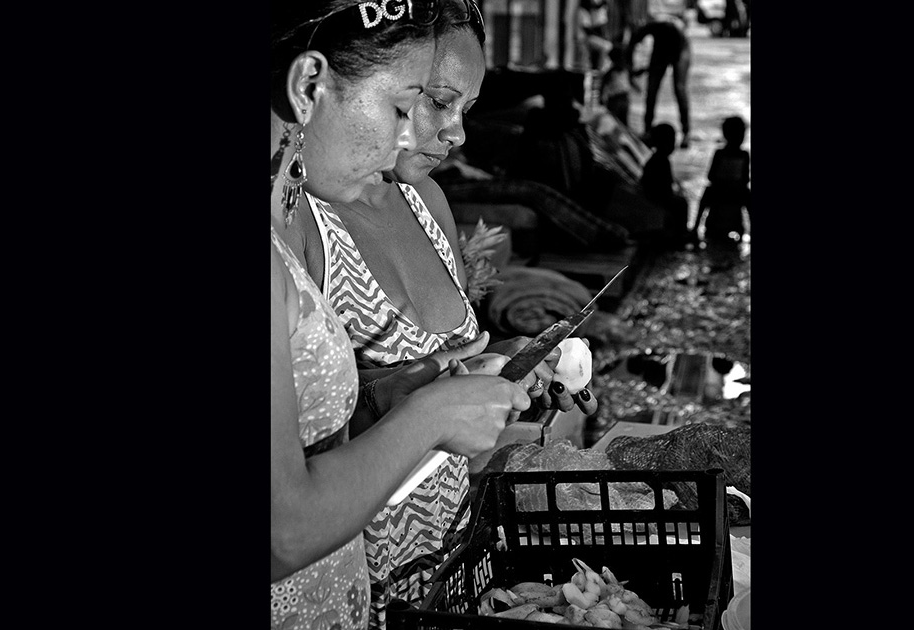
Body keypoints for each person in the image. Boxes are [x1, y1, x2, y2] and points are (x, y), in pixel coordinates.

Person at [282, 4, 597, 626]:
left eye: (465, 109)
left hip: (444, 558)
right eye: (422, 101)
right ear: (309, 87)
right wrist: (426, 410)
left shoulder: (424, 200)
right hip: (353, 572)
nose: (450, 133)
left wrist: (482, 372)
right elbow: (289, 499)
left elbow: (354, 397)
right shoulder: (296, 228)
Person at [692, 115, 750, 266]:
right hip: (725, 190)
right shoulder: (740, 155)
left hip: (727, 190)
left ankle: (696, 226)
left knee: (744, 194)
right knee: (710, 192)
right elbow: (713, 177)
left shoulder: (735, 154)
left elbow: (711, 175)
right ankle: (695, 227)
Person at [627, 15, 692, 148]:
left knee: (679, 89)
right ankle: (647, 129)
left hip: (680, 50)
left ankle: (686, 132)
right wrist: (630, 67)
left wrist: (645, 69)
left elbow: (672, 55)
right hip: (662, 49)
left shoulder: (671, 30)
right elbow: (632, 45)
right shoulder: (647, 29)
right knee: (651, 91)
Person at [640, 123, 694, 248]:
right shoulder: (661, 161)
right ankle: (681, 233)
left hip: (655, 196)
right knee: (681, 203)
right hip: (658, 198)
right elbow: (664, 188)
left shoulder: (656, 159)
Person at [599, 44, 635, 126]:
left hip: (621, 98)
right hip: (618, 98)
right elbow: (603, 84)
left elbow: (603, 84)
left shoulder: (621, 70)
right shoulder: (615, 71)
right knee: (617, 121)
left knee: (618, 121)